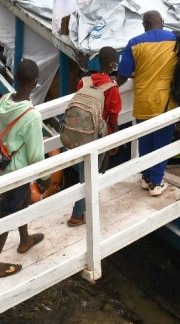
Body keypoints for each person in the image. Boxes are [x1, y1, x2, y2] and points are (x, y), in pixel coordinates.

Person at [0, 59, 45, 279]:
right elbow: (36, 155)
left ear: (15, 78)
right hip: (16, 173)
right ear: (35, 83)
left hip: (0, 166)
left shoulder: (3, 100)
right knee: (6, 214)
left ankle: (25, 239)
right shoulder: (32, 116)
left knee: (24, 199)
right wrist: (45, 176)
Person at [116, 10, 178, 196]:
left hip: (143, 100)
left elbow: (123, 75)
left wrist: (108, 87)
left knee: (145, 141)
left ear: (144, 25)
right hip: (166, 102)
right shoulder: (175, 40)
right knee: (161, 143)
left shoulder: (134, 43)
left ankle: (146, 177)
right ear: (163, 22)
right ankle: (156, 183)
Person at [67, 46, 122, 226]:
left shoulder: (84, 81)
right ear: (113, 65)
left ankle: (85, 206)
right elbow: (113, 118)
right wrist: (115, 140)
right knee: (89, 176)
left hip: (81, 133)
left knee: (86, 172)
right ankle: (77, 214)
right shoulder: (112, 88)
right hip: (98, 137)